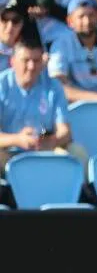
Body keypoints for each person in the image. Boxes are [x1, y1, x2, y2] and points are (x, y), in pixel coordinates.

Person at [0, 28, 78, 169]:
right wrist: (17, 139)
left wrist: (52, 141)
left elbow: (65, 131)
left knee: (77, 153)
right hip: (8, 152)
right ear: (13, 62)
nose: (31, 67)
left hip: (44, 151)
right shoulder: (2, 84)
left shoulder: (53, 86)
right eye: (26, 60)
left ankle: (83, 191)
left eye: (36, 61)